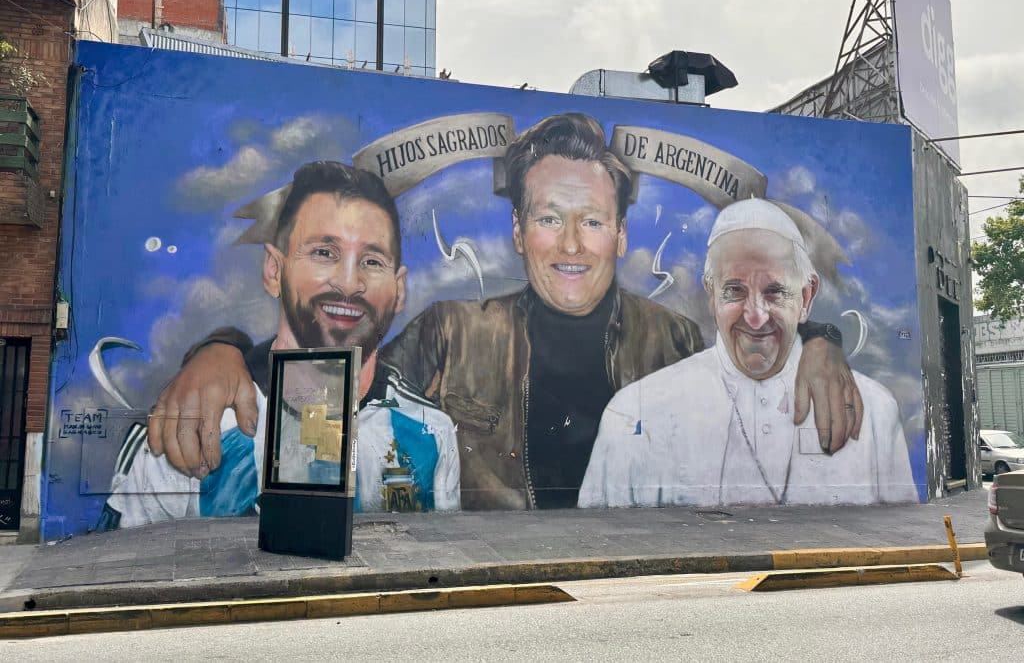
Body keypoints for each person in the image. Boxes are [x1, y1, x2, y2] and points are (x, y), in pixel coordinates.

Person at [150, 114, 862, 511]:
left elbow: (751, 354)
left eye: (592, 220)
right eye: (550, 217)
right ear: (519, 233)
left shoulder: (673, 335)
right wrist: (221, 351)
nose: (573, 242)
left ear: (619, 233)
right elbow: (336, 377)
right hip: (501, 588)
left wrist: (820, 341)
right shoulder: (450, 333)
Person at [98, 161, 459, 530]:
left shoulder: (431, 432)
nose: (350, 283)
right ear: (274, 270)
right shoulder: (194, 425)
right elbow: (122, 574)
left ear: (398, 290)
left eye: (372, 260)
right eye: (324, 252)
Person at [578, 199, 918, 508]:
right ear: (711, 295)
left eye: (775, 292)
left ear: (807, 296)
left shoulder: (873, 412)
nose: (756, 317)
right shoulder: (634, 415)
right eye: (734, 291)